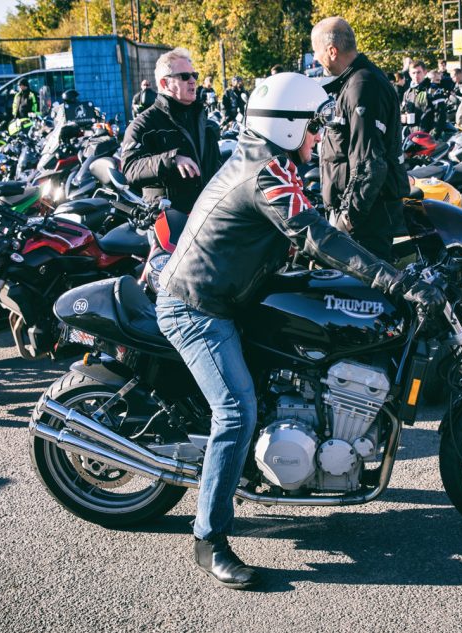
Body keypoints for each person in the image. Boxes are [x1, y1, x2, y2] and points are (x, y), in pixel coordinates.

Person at [154, 71, 444, 590]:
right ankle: (209, 539)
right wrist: (394, 281)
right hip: (197, 307)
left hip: (230, 297)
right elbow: (317, 235)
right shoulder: (265, 173)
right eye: (313, 127)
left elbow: (309, 227)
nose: (319, 136)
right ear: (287, 126)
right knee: (236, 410)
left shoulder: (268, 161)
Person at [312, 16, 408, 261]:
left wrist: (347, 219)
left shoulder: (362, 86)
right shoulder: (356, 82)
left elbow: (369, 163)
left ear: (332, 51)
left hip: (366, 222)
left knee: (362, 296)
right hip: (364, 216)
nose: (315, 58)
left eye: (316, 51)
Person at [121, 48, 220, 213]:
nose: (192, 81)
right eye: (184, 76)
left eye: (194, 75)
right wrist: (172, 159)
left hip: (207, 215)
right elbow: (130, 169)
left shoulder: (204, 121)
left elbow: (216, 166)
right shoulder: (143, 124)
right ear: (164, 83)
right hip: (168, 220)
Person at [402, 60, 435, 135]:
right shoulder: (407, 93)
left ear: (425, 72)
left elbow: (440, 116)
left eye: (419, 72)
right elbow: (402, 111)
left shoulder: (433, 90)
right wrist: (403, 117)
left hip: (428, 136)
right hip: (411, 136)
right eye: (413, 73)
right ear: (410, 74)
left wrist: (433, 136)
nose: (416, 76)